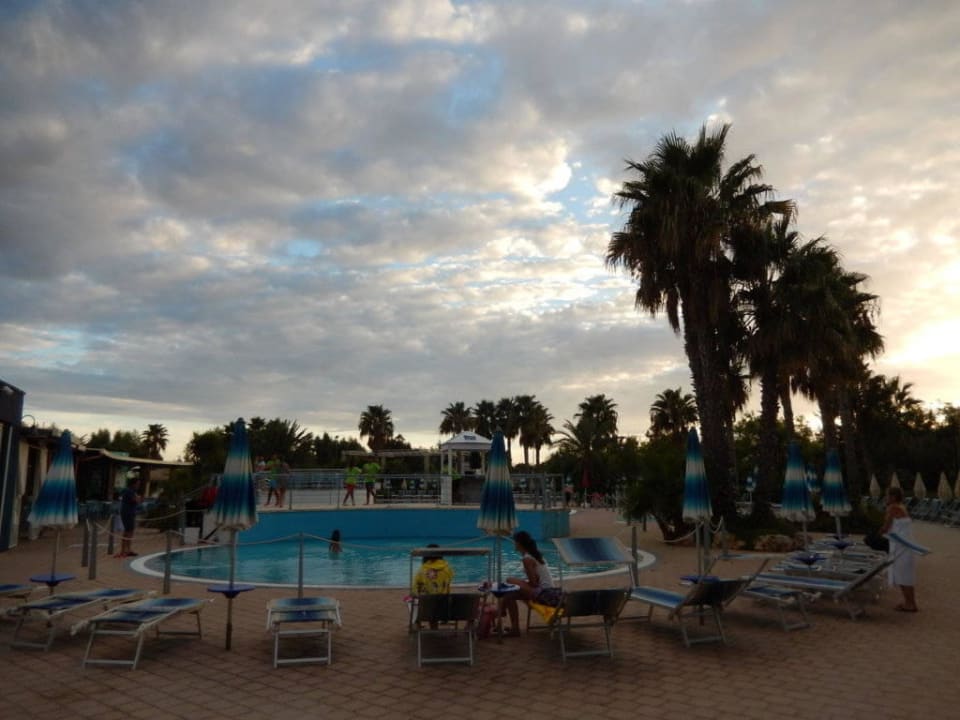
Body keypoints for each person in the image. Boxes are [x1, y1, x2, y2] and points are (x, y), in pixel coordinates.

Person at [501, 530, 561, 637]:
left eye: (515, 542)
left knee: (509, 580)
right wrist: (522, 584)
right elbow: (536, 581)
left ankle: (502, 611)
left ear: (519, 543)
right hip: (548, 591)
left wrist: (521, 584)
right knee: (509, 594)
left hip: (545, 594)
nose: (514, 544)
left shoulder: (527, 559)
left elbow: (534, 584)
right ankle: (514, 629)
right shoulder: (535, 556)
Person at [880, 486, 919, 612]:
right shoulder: (902, 507)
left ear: (893, 497)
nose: (886, 498)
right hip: (906, 544)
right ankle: (910, 602)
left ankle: (910, 604)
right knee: (906, 574)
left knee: (902, 574)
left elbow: (886, 527)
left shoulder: (892, 508)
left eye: (887, 495)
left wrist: (876, 534)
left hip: (900, 546)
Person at [118, 479, 141, 558]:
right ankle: (123, 550)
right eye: (137, 484)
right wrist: (138, 498)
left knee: (130, 531)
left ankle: (128, 549)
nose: (138, 486)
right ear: (133, 484)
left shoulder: (131, 491)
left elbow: (137, 500)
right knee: (127, 531)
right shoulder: (129, 491)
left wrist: (137, 498)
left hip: (130, 512)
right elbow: (136, 500)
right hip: (128, 513)